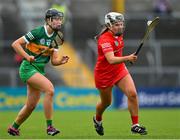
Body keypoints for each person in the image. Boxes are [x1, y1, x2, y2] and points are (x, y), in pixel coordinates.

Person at [7, 8, 69, 136]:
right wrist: (26, 56)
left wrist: (60, 61)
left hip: (39, 70)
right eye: (56, 19)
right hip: (28, 68)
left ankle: (14, 128)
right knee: (50, 90)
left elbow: (54, 61)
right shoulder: (38, 32)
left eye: (60, 19)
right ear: (48, 20)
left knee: (31, 105)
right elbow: (16, 44)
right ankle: (50, 127)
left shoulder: (57, 37)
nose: (59, 22)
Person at [93, 12, 147, 136]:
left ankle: (135, 125)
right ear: (109, 25)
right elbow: (111, 59)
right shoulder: (104, 39)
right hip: (104, 74)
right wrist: (128, 58)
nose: (120, 27)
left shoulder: (119, 34)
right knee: (106, 103)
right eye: (117, 25)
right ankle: (97, 119)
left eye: (121, 24)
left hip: (119, 70)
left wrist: (126, 59)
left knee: (132, 94)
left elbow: (117, 58)